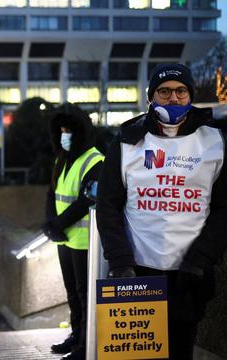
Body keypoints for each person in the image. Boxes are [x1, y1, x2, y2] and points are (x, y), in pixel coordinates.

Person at [97, 63, 227, 359]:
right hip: (137, 272)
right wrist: (119, 261)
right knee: (136, 355)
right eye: (164, 91)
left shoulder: (216, 141)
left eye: (181, 91)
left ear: (190, 95)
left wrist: (200, 260)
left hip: (188, 274)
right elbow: (107, 206)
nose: (173, 98)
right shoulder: (127, 141)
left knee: (180, 351)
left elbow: (224, 210)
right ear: (151, 97)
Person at [43, 105, 104, 360]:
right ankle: (76, 334)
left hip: (84, 240)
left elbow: (86, 200)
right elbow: (52, 193)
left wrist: (58, 224)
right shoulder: (62, 158)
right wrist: (50, 223)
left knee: (85, 294)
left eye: (68, 130)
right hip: (64, 238)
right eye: (61, 130)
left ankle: (85, 345)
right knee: (72, 292)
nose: (64, 135)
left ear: (80, 132)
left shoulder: (95, 160)